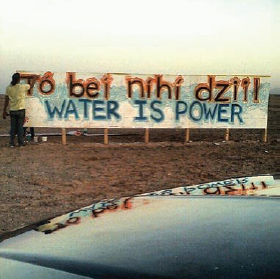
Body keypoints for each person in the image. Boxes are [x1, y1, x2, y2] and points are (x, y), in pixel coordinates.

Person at [2, 73, 37, 147]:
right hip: (21, 110)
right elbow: (31, 86)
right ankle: (20, 142)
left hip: (12, 110)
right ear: (19, 79)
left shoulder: (8, 88)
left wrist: (4, 111)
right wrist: (34, 78)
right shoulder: (22, 87)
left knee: (13, 127)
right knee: (20, 126)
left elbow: (6, 100)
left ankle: (12, 143)